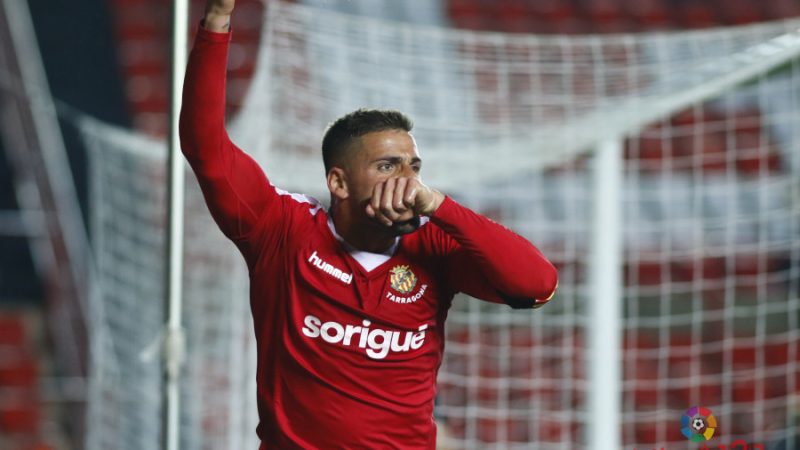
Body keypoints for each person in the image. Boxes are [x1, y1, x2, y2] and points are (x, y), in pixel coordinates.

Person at [180, 0, 558, 448]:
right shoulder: (282, 229)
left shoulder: (435, 245)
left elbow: (537, 285)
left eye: (413, 167)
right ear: (338, 182)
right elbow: (205, 147)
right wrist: (219, 19)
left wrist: (441, 205)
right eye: (387, 166)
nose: (406, 180)